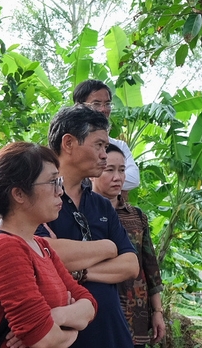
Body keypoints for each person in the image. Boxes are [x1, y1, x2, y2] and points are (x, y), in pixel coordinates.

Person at [0, 141, 96, 348]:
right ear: (18, 193)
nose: (61, 192)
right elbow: (45, 340)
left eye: (60, 181)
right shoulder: (3, 250)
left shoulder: (40, 245)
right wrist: (73, 329)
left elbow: (89, 304)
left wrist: (56, 316)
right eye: (52, 182)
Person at [37, 105, 140, 348]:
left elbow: (131, 265)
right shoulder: (37, 198)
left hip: (112, 333)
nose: (105, 155)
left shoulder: (102, 205)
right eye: (99, 145)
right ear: (69, 143)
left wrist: (80, 271)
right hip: (62, 335)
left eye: (105, 147)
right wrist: (107, 247)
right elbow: (42, 255)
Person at [92, 144, 166, 346]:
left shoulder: (137, 216)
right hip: (98, 309)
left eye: (122, 170)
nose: (118, 177)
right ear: (94, 171)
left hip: (136, 312)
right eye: (110, 170)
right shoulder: (82, 213)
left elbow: (150, 266)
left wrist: (158, 311)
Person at [73, 80, 140, 191]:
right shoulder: (71, 142)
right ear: (79, 106)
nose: (103, 109)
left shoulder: (118, 146)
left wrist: (98, 179)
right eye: (96, 104)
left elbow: (133, 179)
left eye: (107, 104)